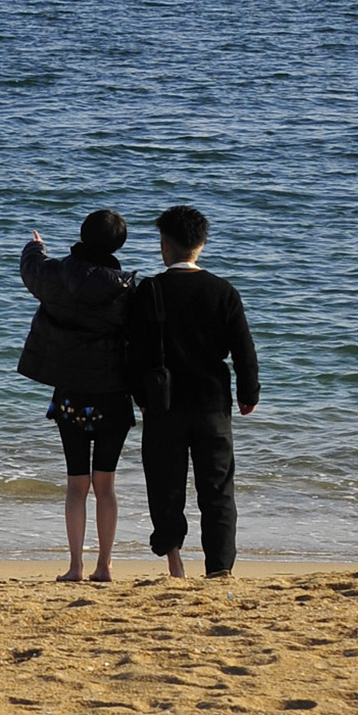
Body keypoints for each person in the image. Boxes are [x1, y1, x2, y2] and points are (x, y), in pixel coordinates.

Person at [130, 205, 260, 580]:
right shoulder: (223, 291)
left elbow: (134, 351)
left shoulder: (149, 290)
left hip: (163, 404)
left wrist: (139, 395)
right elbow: (243, 349)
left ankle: (174, 562)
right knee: (217, 488)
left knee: (165, 486)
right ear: (201, 244)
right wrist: (248, 392)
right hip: (211, 403)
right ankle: (220, 567)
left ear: (164, 246)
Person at [18, 209, 136, 583]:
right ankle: (104, 565)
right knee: (106, 484)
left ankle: (75, 566)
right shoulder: (124, 288)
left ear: (83, 236)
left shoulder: (56, 275)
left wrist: (34, 247)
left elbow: (32, 270)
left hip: (70, 394)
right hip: (113, 396)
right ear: (118, 245)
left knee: (75, 484)